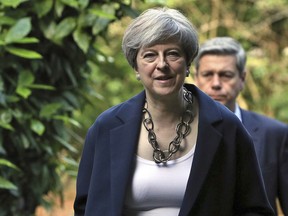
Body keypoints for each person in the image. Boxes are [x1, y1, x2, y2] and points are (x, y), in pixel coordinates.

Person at [74, 8, 274, 215]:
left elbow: (255, 209)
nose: (162, 64)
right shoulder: (106, 127)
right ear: (136, 67)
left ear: (188, 64)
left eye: (172, 54)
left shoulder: (227, 127)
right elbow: (84, 207)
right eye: (150, 55)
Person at [194, 36, 288, 215]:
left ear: (242, 78)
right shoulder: (176, 131)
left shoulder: (275, 135)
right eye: (207, 74)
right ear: (196, 77)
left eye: (226, 75)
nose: (215, 84)